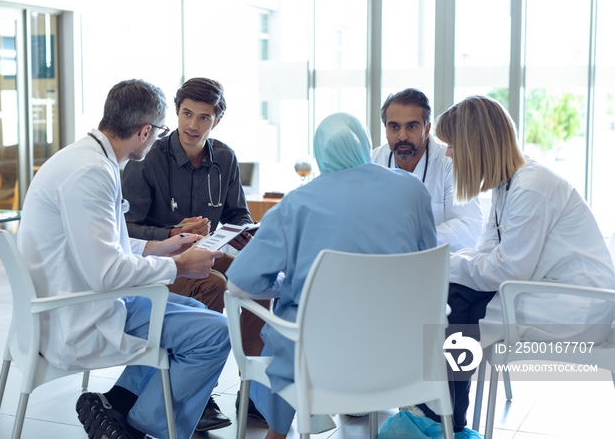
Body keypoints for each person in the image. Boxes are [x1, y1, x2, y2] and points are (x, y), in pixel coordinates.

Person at [17, 79, 231, 439]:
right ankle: (141, 427)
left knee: (204, 316)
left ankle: (117, 406)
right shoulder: (91, 174)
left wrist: (158, 248)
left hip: (73, 299)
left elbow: (99, 246)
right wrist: (180, 266)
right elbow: (107, 273)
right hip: (78, 313)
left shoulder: (84, 158)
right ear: (145, 131)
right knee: (215, 335)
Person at [226, 112, 438, 439]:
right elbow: (428, 264)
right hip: (403, 354)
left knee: (288, 329)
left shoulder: (295, 204)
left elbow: (239, 282)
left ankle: (278, 432)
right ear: (366, 145)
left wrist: (291, 286)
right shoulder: (413, 190)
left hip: (318, 361)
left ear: (319, 152)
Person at [421, 95, 615, 435]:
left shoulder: (531, 187)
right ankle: (446, 414)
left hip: (580, 306)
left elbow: (507, 271)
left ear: (474, 144)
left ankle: (443, 416)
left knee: (453, 303)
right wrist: (446, 265)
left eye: (452, 145)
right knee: (453, 298)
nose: (448, 154)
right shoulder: (507, 186)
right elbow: (486, 252)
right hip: (547, 290)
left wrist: (440, 267)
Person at [122, 77, 267, 428]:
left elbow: (237, 214)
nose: (193, 124)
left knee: (259, 280)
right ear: (175, 111)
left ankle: (256, 393)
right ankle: (199, 396)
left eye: (204, 117)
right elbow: (126, 229)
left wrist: (244, 232)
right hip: (160, 266)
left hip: (208, 255)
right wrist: (172, 233)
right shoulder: (147, 159)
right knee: (214, 283)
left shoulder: (225, 159)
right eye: (187, 114)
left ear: (216, 120)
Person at [372, 88, 482, 252]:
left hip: (433, 265)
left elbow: (469, 225)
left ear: (427, 128)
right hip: (379, 262)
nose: (402, 136)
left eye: (412, 126)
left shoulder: (450, 162)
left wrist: (415, 239)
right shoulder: (371, 162)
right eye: (394, 127)